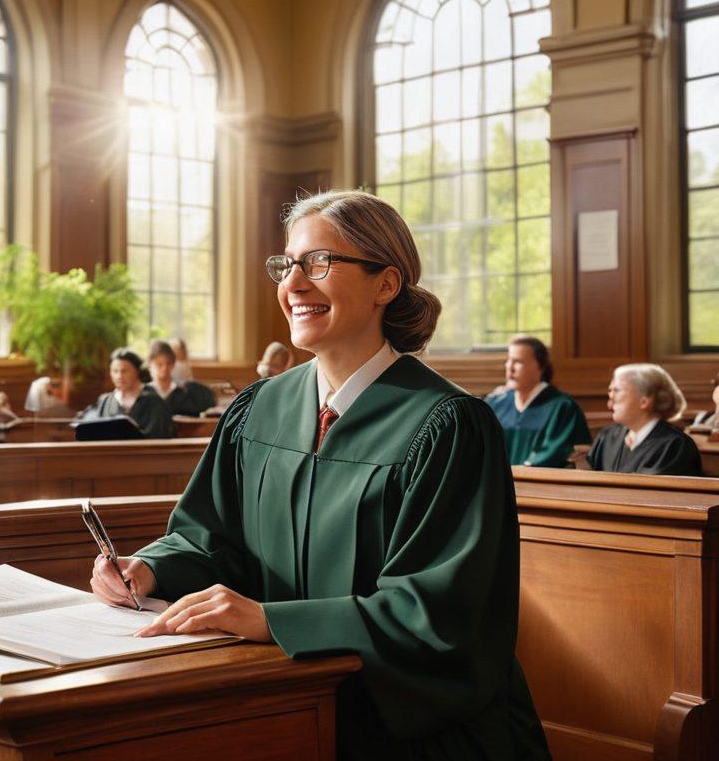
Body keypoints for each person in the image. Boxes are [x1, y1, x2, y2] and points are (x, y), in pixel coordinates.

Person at [90, 190, 549, 759]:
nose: (294, 284)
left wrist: (272, 621)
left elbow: (434, 615)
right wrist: (151, 570)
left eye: (320, 263)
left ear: (387, 284)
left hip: (411, 735)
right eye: (288, 265)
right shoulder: (257, 410)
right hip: (281, 702)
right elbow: (211, 539)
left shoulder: (447, 426)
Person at [485, 335, 590, 467]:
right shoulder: (495, 403)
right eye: (508, 360)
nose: (510, 367)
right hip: (497, 484)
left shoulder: (562, 408)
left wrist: (516, 475)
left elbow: (554, 455)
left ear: (541, 366)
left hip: (537, 484)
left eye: (518, 362)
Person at [588, 364, 702, 476]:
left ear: (644, 401)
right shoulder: (607, 436)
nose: (611, 397)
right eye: (610, 390)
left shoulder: (675, 446)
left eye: (616, 390)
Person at [79, 348, 176, 439]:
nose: (119, 376)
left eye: (124, 371)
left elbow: (160, 438)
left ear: (137, 372)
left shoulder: (154, 402)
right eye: (115, 371)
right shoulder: (105, 401)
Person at [147, 340, 215, 416]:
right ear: (150, 365)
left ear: (173, 364)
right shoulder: (145, 393)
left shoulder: (185, 391)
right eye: (159, 364)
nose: (165, 368)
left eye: (169, 363)